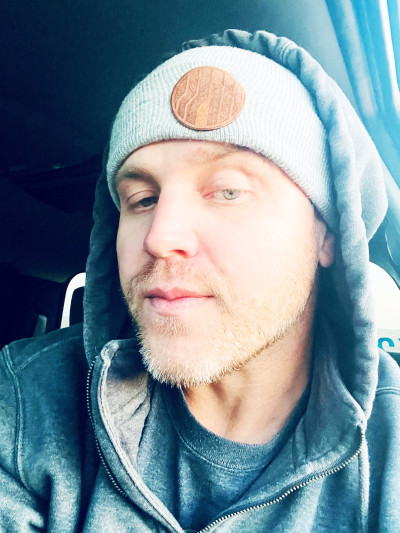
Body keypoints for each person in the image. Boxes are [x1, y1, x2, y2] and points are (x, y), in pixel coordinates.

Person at [1, 29, 399, 532]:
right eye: (142, 199)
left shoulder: (390, 455)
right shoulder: (26, 400)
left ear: (328, 235)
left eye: (228, 191)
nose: (160, 237)